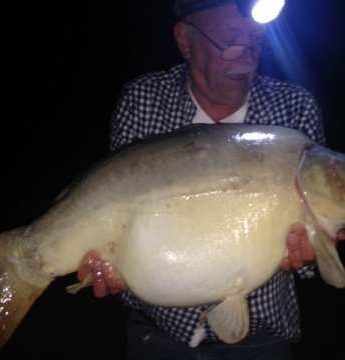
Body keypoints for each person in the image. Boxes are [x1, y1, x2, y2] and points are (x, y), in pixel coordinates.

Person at [77, 0, 334, 358]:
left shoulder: (294, 108)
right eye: (230, 41)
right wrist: (109, 266)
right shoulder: (142, 100)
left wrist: (310, 254)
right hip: (158, 337)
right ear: (185, 41)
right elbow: (116, 218)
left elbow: (319, 251)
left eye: (256, 41)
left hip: (260, 340)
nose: (246, 56)